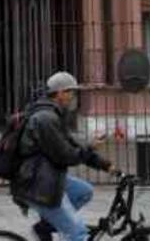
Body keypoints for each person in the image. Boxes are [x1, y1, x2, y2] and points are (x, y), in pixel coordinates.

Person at [10, 71, 113, 241]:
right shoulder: (46, 118)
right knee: (78, 233)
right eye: (71, 92)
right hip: (39, 185)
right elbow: (66, 156)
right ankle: (60, 224)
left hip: (47, 178)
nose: (73, 97)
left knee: (84, 192)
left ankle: (45, 227)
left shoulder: (53, 114)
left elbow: (73, 145)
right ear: (60, 93)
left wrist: (107, 166)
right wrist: (90, 147)